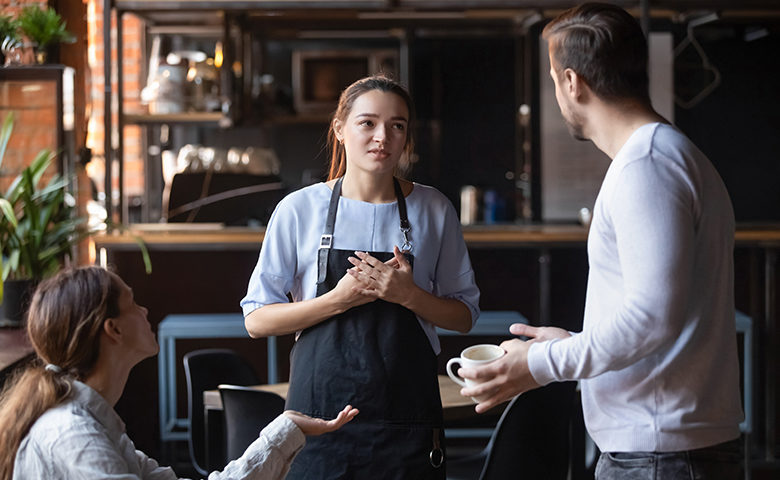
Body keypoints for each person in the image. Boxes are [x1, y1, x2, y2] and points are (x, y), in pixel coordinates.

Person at [459, 3, 743, 479]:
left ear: (573, 82)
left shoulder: (646, 166)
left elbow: (651, 319)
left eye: (553, 80)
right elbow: (659, 314)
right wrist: (576, 344)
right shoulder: (666, 155)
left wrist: (542, 363)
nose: (557, 93)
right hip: (668, 448)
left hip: (659, 455)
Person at [241, 74, 480, 478]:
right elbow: (256, 320)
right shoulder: (299, 210)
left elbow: (464, 316)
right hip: (317, 423)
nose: (382, 136)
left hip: (408, 423)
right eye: (367, 122)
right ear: (340, 129)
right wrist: (338, 299)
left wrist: (408, 294)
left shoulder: (434, 209)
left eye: (397, 125)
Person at [0, 266, 358, 480]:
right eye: (132, 303)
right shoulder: (74, 436)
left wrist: (286, 429)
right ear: (114, 330)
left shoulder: (95, 424)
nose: (144, 310)